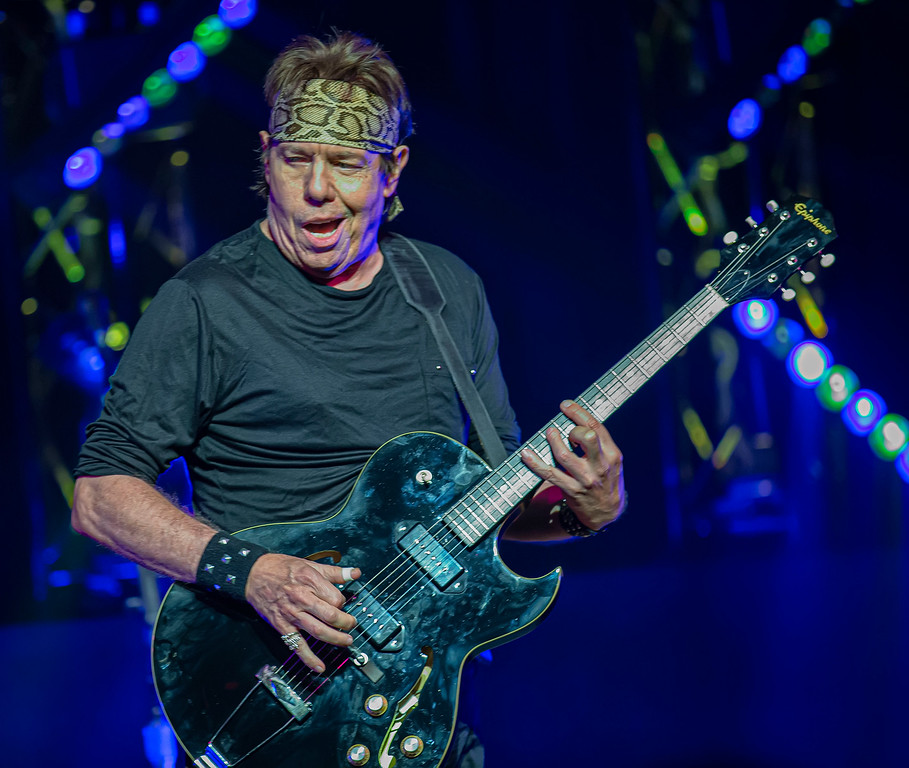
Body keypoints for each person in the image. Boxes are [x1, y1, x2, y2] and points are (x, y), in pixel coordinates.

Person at [72, 31, 626, 766]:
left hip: (417, 707)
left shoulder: (448, 290)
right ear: (265, 157)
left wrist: (587, 511)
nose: (316, 189)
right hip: (269, 688)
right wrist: (255, 573)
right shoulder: (205, 303)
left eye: (346, 163)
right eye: (295, 158)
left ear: (392, 171)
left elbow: (490, 506)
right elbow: (99, 497)